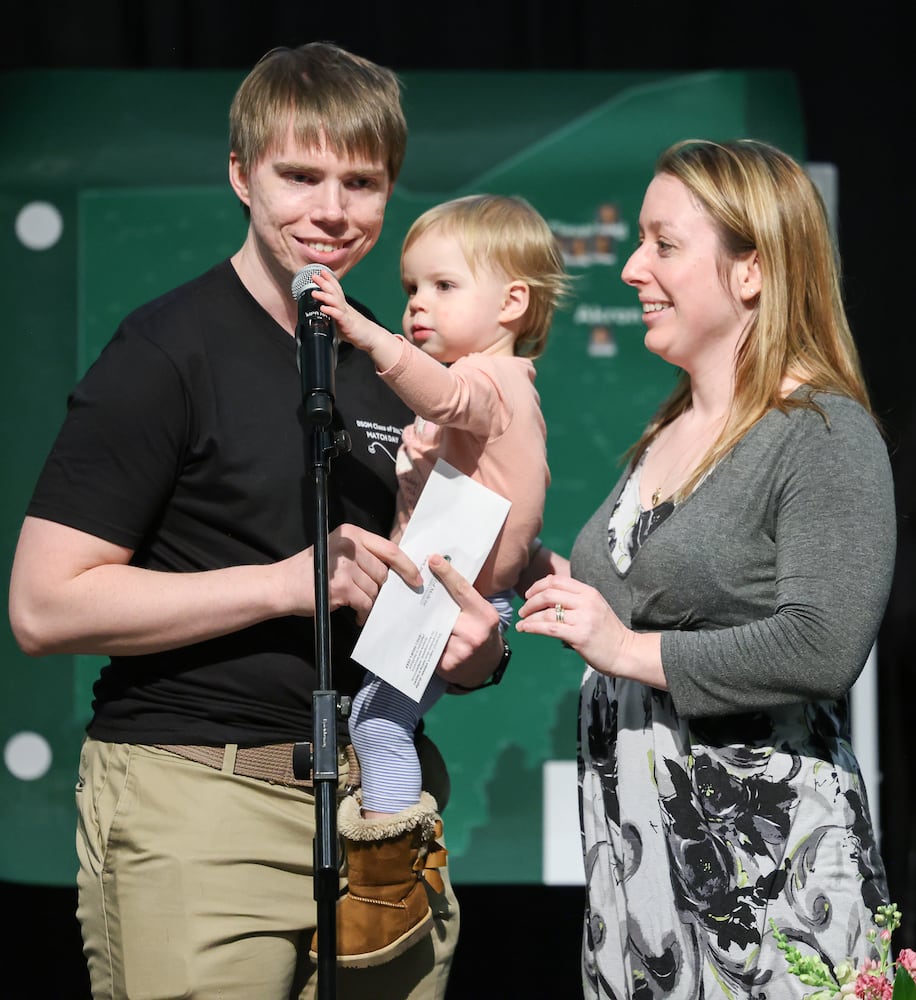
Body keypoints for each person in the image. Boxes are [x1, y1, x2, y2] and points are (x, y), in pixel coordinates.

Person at [7, 43, 508, 1000]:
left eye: (360, 181)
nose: (331, 208)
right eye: (300, 174)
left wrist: (474, 651)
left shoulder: (388, 362)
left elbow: (409, 591)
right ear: (240, 174)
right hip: (195, 800)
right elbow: (43, 606)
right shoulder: (164, 351)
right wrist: (287, 583)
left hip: (377, 813)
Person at [514, 139, 896, 998]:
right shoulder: (667, 429)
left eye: (662, 243)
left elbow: (824, 645)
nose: (630, 268)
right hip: (642, 883)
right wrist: (505, 576)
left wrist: (629, 652)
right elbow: (631, 602)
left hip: (770, 890)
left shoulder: (823, 432)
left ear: (751, 270)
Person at [308, 193, 569, 966]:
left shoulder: (492, 381)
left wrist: (363, 332)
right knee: (378, 721)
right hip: (437, 593)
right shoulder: (498, 390)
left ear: (512, 302)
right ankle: (386, 867)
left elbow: (448, 395)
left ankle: (389, 894)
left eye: (444, 287)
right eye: (410, 290)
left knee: (378, 723)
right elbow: (504, 503)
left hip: (441, 603)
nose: (418, 306)